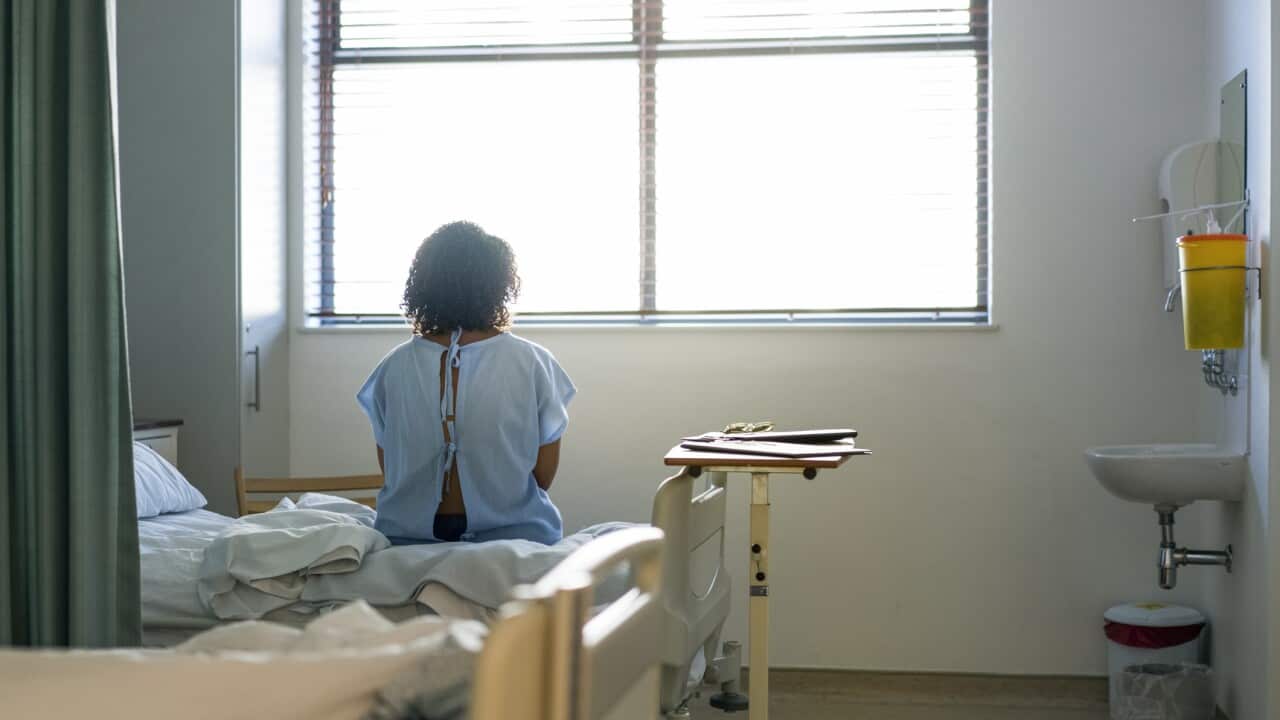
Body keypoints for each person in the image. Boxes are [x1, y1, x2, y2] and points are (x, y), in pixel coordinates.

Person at [356, 221, 575, 544]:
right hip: (514, 538)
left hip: (408, 540)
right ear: (499, 286)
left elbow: (392, 472)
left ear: (423, 286)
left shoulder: (392, 368)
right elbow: (542, 478)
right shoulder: (534, 363)